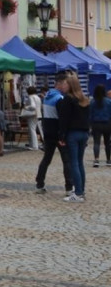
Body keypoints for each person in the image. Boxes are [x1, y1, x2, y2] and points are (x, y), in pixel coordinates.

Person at [36, 73, 71, 193]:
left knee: (46, 159)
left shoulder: (46, 97)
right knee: (66, 160)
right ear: (59, 84)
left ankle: (39, 184)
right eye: (66, 83)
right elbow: (62, 118)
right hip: (58, 133)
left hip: (48, 132)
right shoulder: (59, 99)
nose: (67, 85)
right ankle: (69, 187)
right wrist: (63, 135)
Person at [58, 72, 90, 203]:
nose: (63, 86)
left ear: (70, 85)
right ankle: (81, 190)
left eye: (65, 84)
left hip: (72, 134)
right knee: (80, 162)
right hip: (84, 133)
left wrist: (61, 136)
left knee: (74, 163)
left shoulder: (68, 99)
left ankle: (78, 193)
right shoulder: (85, 99)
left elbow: (64, 120)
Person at [89, 83, 111, 166]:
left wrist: (90, 124)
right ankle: (108, 160)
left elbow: (90, 115)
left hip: (96, 124)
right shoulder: (109, 101)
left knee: (96, 142)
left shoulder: (93, 102)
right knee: (107, 142)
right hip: (107, 124)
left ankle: (96, 160)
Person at [22, 85, 43, 151]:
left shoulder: (30, 97)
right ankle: (34, 145)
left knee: (32, 130)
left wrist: (26, 107)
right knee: (36, 129)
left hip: (32, 115)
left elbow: (33, 106)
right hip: (38, 115)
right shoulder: (38, 97)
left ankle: (34, 146)